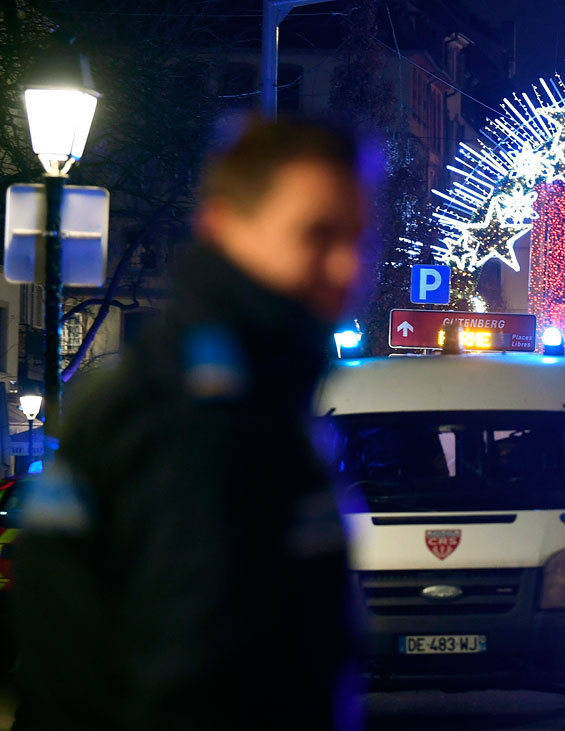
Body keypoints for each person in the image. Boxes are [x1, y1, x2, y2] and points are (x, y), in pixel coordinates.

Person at [14, 116, 370, 730]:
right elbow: (191, 688)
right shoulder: (206, 421)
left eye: (360, 239)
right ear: (224, 227)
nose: (345, 269)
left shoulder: (227, 387)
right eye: (316, 236)